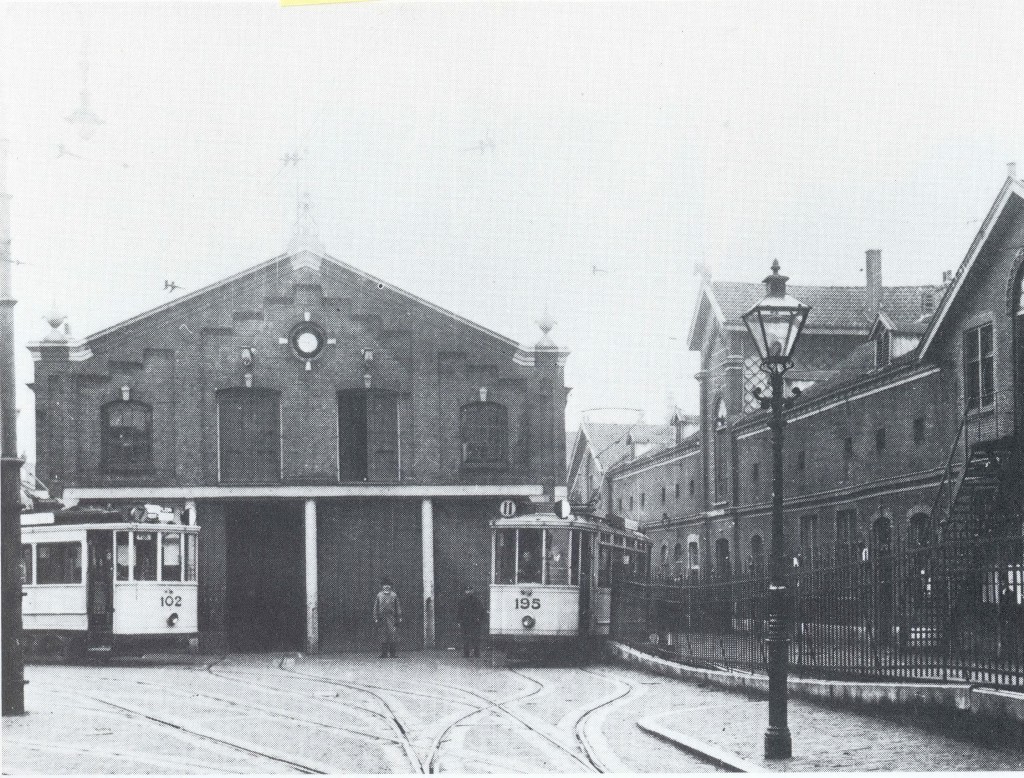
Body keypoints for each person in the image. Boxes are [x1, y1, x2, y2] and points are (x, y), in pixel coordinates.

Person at [373, 578, 403, 658]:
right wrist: (375, 617)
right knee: (383, 634)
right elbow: (376, 607)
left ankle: (393, 654)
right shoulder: (379, 595)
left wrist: (399, 616)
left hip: (391, 618)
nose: (386, 587)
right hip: (382, 618)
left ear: (390, 586)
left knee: (392, 634)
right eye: (385, 585)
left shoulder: (394, 595)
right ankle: (384, 653)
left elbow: (397, 606)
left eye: (388, 585)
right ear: (382, 586)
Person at [457, 585, 486, 658]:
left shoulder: (477, 600)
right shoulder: (462, 601)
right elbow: (459, 612)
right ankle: (466, 654)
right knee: (466, 638)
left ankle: (477, 653)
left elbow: (482, 611)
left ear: (472, 591)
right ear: (465, 591)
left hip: (474, 622)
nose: (468, 592)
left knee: (476, 638)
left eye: (470, 590)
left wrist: (479, 619)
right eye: (467, 590)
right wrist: (459, 621)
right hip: (465, 622)